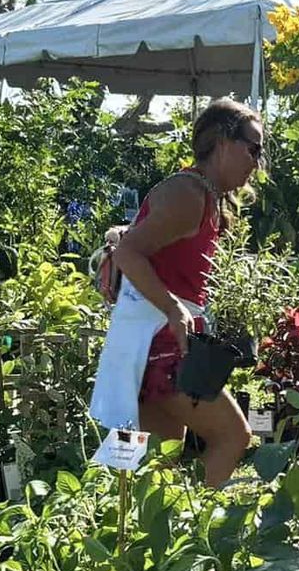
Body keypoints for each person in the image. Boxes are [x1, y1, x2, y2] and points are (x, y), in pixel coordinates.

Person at [90, 97, 262, 487]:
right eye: (252, 148)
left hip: (158, 346)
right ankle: (199, 530)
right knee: (233, 435)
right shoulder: (188, 194)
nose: (257, 160)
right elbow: (129, 253)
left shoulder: (204, 196)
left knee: (155, 469)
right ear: (221, 141)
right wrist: (172, 309)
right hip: (160, 349)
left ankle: (148, 540)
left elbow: (139, 247)